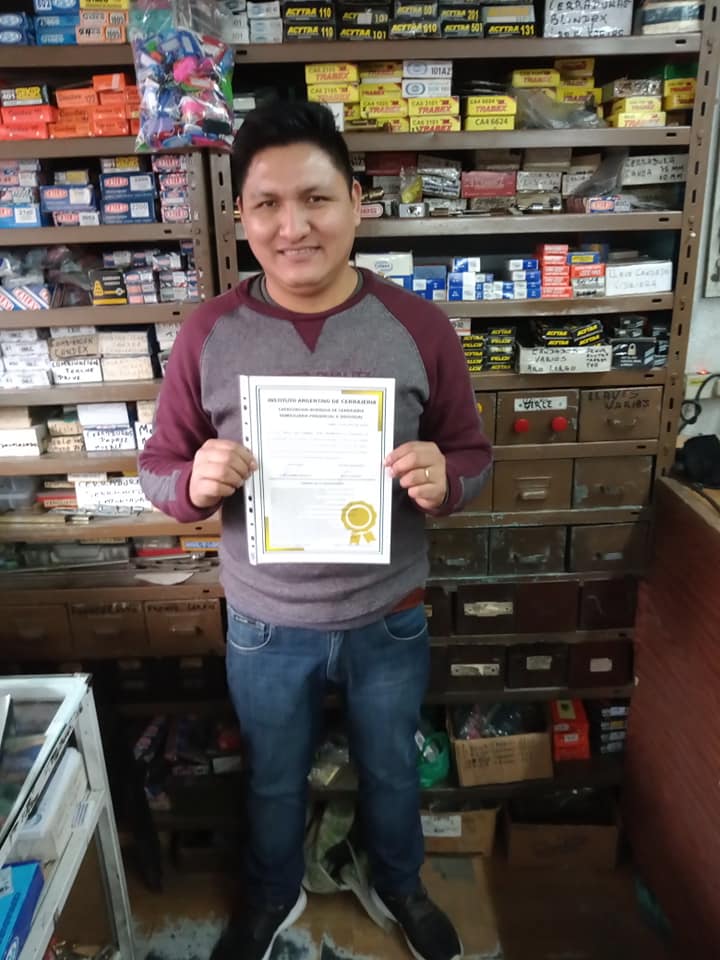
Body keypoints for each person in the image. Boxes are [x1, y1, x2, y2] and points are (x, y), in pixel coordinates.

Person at [139, 100, 492, 960]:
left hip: (388, 616)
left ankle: (396, 882)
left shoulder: (418, 327)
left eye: (316, 199)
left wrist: (447, 480)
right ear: (242, 216)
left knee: (392, 768)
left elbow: (473, 456)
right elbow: (158, 469)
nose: (293, 226)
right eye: (268, 204)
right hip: (266, 624)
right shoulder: (207, 334)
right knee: (271, 776)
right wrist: (191, 485)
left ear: (356, 203)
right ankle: (274, 893)